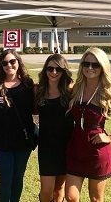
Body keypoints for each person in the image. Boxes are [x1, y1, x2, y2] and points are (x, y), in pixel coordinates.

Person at [65, 47, 111, 202]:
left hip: (97, 151)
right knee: (70, 196)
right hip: (76, 147)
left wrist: (110, 138)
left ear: (102, 67)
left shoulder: (107, 92)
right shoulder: (76, 88)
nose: (90, 68)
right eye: (86, 64)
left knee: (96, 198)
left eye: (95, 65)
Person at [0, 49, 35, 202]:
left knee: (18, 178)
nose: (9, 65)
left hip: (23, 141)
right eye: (5, 63)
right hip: (1, 141)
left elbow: (34, 110)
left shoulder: (28, 84)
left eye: (12, 61)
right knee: (6, 179)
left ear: (18, 62)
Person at [35, 54, 74, 202]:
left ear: (64, 71)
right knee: (46, 190)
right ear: (45, 70)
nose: (54, 72)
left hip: (66, 145)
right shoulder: (38, 91)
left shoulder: (71, 91)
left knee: (59, 189)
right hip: (46, 147)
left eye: (58, 69)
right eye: (50, 68)